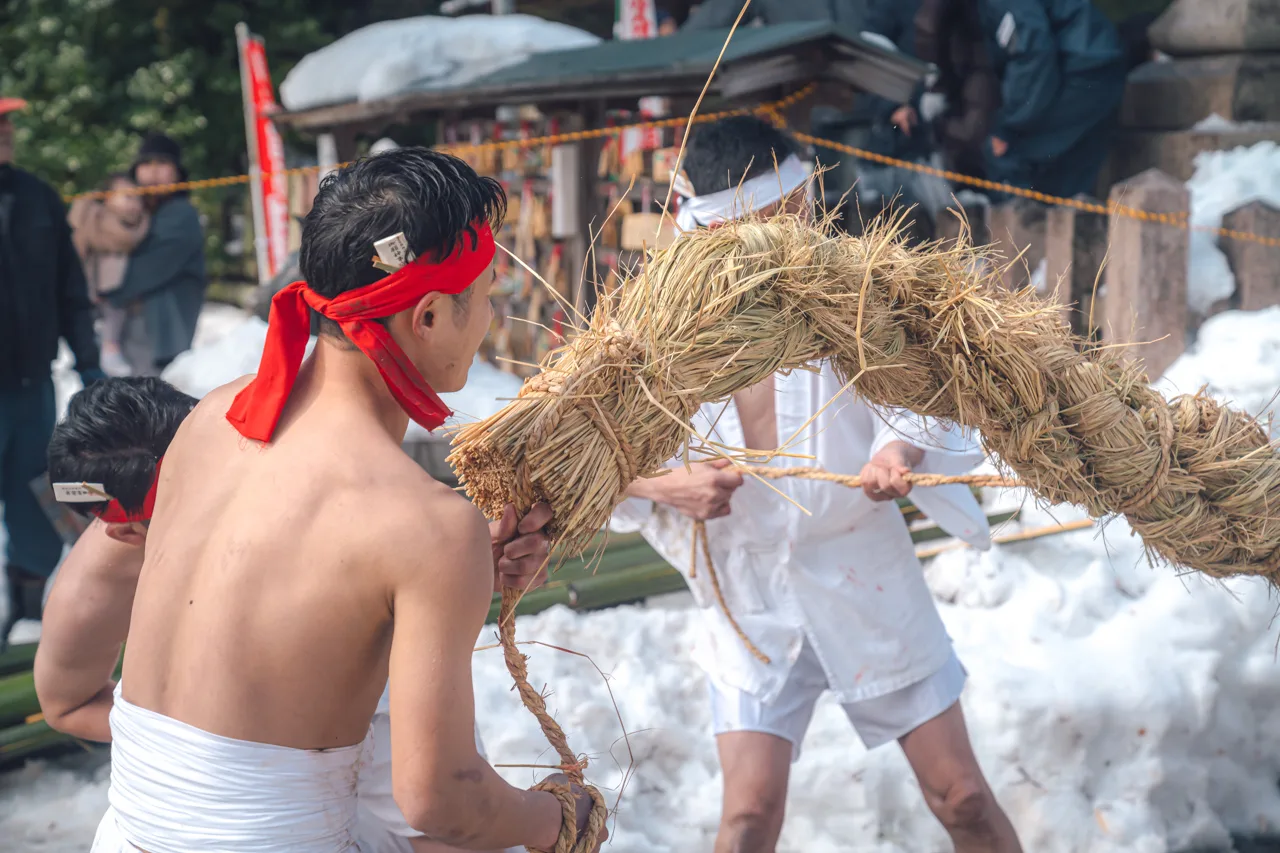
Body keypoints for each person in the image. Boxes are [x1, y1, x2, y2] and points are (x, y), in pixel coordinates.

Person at [90, 149, 604, 853]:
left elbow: (271, 596)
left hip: (123, 833)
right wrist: (562, 818)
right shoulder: (425, 525)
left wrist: (440, 580)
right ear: (429, 316)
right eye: (487, 293)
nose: (491, 315)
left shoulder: (209, 417)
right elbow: (441, 799)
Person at [643, 115, 1022, 853]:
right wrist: (665, 486)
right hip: (748, 595)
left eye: (802, 210)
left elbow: (917, 392)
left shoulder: (855, 292)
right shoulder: (661, 329)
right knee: (748, 818)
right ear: (718, 232)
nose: (800, 232)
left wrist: (894, 451)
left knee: (964, 796)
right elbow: (601, 453)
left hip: (863, 571)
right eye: (776, 220)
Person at [40, 376, 544, 853]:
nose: (231, 504)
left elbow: (397, 557)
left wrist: (468, 572)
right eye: (194, 499)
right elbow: (66, 705)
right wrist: (225, 755)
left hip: (354, 712)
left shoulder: (288, 475)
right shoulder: (96, 586)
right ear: (128, 533)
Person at [0, 95, 106, 647]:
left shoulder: (38, 197)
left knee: (34, 504)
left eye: (7, 122)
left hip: (31, 388)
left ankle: (24, 620)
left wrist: (89, 364)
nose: (6, 131)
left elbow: (70, 291)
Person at [974, 0, 1127, 199]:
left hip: (1076, 71)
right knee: (1070, 190)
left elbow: (1033, 52)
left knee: (1005, 152)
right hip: (1097, 61)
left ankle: (1015, 216)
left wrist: (1010, 124)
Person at [108, 132, 207, 376]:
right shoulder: (140, 214)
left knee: (146, 397)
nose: (153, 171)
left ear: (177, 173)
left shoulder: (180, 215)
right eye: (146, 164)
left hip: (159, 333)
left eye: (162, 163)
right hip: (128, 330)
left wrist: (102, 289)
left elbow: (146, 270)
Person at [69, 173, 151, 377]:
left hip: (120, 289)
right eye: (127, 197)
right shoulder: (93, 217)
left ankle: (110, 348)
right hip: (93, 279)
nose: (134, 204)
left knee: (115, 313)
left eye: (138, 198)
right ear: (107, 197)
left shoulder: (142, 223)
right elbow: (78, 247)